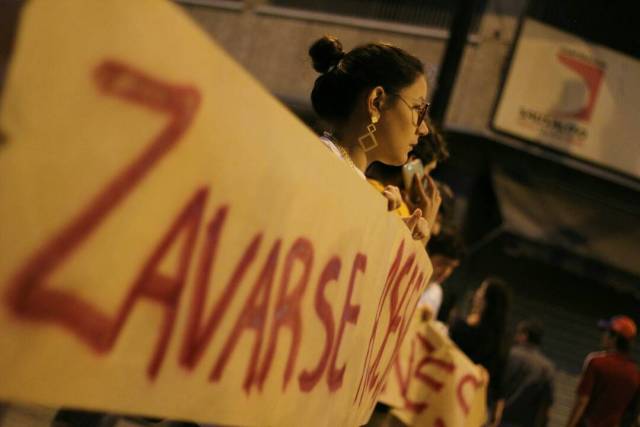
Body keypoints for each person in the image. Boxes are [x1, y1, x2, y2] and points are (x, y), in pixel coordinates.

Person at [309, 35, 440, 242]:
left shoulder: (348, 176)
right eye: (418, 108)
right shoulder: (320, 163)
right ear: (376, 102)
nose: (423, 129)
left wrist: (396, 236)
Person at [449, 277, 511, 427]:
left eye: (481, 290)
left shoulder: (463, 329)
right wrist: (496, 416)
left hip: (450, 399)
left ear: (486, 301)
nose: (477, 294)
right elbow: (499, 384)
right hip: (477, 409)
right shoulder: (502, 341)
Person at [567, 315, 640, 427]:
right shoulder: (635, 373)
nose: (603, 336)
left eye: (605, 332)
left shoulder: (597, 363)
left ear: (614, 338)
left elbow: (582, 401)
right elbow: (634, 416)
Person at [500, 319, 555, 427]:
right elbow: (545, 406)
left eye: (518, 333)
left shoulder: (509, 355)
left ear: (525, 335)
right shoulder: (547, 368)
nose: (515, 337)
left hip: (500, 419)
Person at [417, 225, 463, 320]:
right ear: (428, 253)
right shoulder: (410, 276)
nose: (446, 272)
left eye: (451, 267)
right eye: (443, 263)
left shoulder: (436, 293)